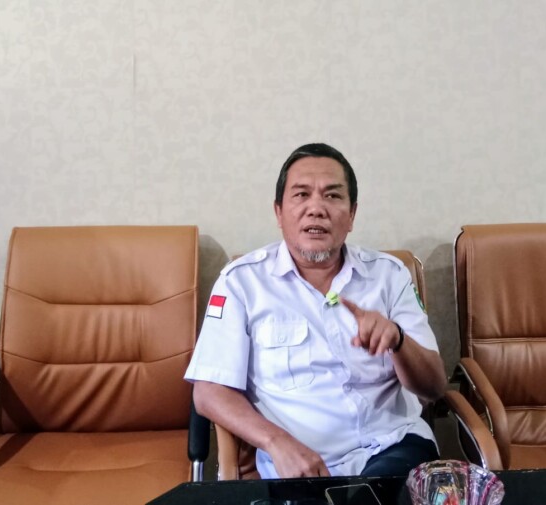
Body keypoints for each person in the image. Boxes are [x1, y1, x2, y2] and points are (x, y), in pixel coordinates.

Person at [185, 143, 448, 478]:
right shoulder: (241, 283)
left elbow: (434, 387)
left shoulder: (389, 275)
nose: (316, 209)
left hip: (394, 446)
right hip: (300, 464)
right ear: (279, 212)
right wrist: (276, 442)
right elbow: (208, 392)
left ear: (351, 215)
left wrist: (398, 341)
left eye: (332, 196)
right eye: (301, 195)